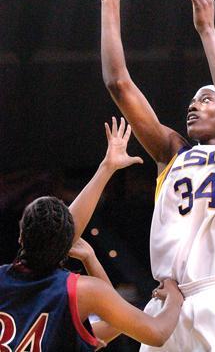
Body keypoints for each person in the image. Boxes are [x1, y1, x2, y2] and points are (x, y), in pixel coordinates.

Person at [91, 0, 215, 351]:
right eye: (193, 100)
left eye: (206, 99)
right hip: (165, 304)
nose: (193, 105)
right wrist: (110, 3)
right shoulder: (171, 152)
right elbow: (118, 84)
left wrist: (207, 30)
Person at [0, 118, 184, 351]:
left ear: (21, 238)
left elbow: (109, 326)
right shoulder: (81, 291)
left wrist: (106, 168)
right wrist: (175, 298)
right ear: (68, 243)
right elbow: (152, 332)